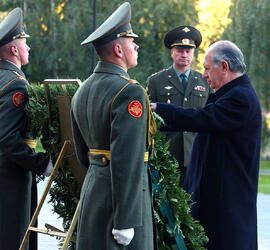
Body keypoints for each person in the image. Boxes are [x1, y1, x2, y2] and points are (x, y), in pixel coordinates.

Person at [151, 40, 261, 249]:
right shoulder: (228, 94)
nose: (203, 74)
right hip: (217, 201)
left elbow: (201, 119)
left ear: (224, 67)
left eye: (207, 68)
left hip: (228, 205)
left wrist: (159, 110)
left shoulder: (241, 97)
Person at [70, 2, 157, 249]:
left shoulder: (82, 90)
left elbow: (82, 154)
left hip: (95, 193)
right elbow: (128, 158)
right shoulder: (130, 92)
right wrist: (126, 219)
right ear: (118, 49)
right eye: (131, 41)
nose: (136, 46)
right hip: (122, 205)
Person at [0, 8, 52, 250]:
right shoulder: (15, 85)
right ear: (13, 50)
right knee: (15, 239)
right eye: (24, 43)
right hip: (10, 179)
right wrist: (41, 163)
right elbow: (9, 139)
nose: (28, 48)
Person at [146, 25, 212, 186]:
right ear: (172, 52)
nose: (184, 55)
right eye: (180, 50)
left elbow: (210, 117)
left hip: (197, 155)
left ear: (193, 53)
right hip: (167, 156)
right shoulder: (155, 81)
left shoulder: (205, 80)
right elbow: (149, 122)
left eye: (188, 51)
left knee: (195, 206)